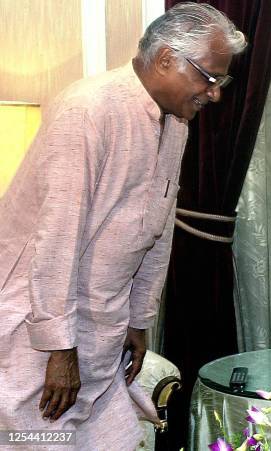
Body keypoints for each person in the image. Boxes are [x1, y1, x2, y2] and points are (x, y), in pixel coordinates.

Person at [0, 3, 245, 449]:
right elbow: (56, 238)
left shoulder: (175, 122)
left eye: (220, 81)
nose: (215, 94)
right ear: (167, 58)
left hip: (102, 330)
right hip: (37, 334)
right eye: (210, 78)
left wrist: (138, 319)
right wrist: (57, 348)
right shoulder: (87, 111)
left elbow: (157, 230)